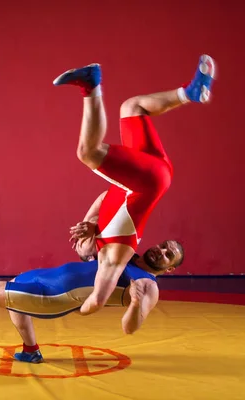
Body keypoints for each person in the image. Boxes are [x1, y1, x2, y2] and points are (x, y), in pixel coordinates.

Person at [53, 55, 216, 315]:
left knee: (132, 107)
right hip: (149, 182)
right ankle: (90, 86)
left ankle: (189, 92)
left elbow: (106, 194)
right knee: (88, 152)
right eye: (166, 251)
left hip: (156, 172)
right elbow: (96, 301)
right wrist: (69, 308)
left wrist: (91, 224)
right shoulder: (117, 254)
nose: (159, 251)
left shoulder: (106, 225)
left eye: (163, 251)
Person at [0, 240, 183, 364]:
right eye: (162, 246)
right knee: (13, 294)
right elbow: (90, 263)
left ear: (170, 268)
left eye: (167, 254)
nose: (160, 251)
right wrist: (88, 243)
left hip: (54, 297)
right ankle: (31, 351)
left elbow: (130, 328)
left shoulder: (147, 286)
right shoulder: (127, 253)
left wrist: (136, 304)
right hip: (47, 279)